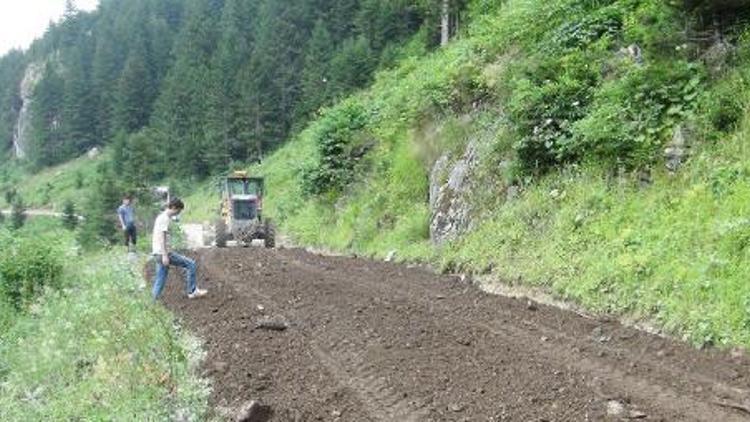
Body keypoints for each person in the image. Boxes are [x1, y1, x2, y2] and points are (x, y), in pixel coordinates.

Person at [151, 198, 207, 300]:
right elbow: (161, 237)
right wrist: (164, 255)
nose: (178, 213)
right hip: (163, 253)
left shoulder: (161, 217)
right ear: (173, 207)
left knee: (160, 278)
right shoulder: (164, 219)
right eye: (178, 211)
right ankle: (192, 291)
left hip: (157, 252)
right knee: (191, 264)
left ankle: (153, 301)